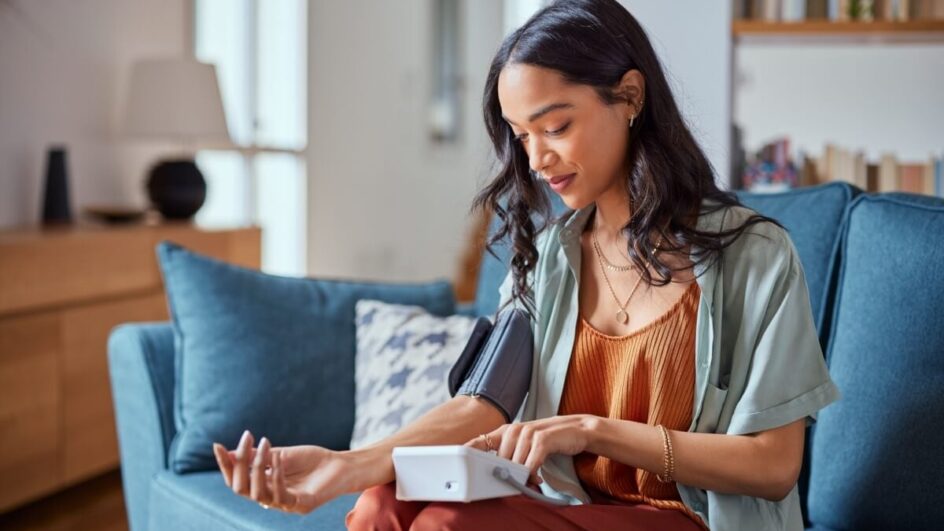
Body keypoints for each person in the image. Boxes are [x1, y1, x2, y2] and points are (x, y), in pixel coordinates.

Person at [212, 0, 840, 529]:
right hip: (575, 511)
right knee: (383, 502)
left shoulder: (753, 256)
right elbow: (483, 406)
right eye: (520, 135)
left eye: (555, 126)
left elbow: (772, 465)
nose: (536, 158)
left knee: (449, 524)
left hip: (689, 519)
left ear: (629, 96)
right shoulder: (550, 257)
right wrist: (347, 465)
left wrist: (593, 432)